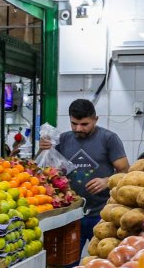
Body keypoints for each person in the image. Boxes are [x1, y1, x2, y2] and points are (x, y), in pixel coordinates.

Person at [40, 99, 130, 250]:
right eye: (74, 123)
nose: (78, 128)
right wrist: (44, 149)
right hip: (72, 215)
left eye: (84, 124)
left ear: (95, 119)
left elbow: (125, 171)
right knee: (69, 264)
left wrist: (106, 181)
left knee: (104, 258)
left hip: (102, 213)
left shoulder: (108, 139)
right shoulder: (63, 139)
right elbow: (48, 169)